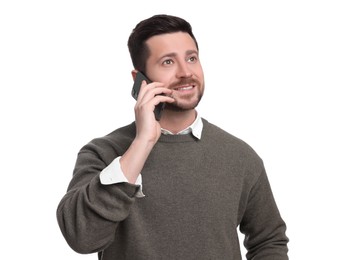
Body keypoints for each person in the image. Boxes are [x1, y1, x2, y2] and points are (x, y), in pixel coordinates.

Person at [57, 14, 289, 260]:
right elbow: (82, 239)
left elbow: (269, 241)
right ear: (140, 80)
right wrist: (142, 143)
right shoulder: (102, 153)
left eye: (191, 58)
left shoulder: (240, 156)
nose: (185, 72)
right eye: (168, 62)